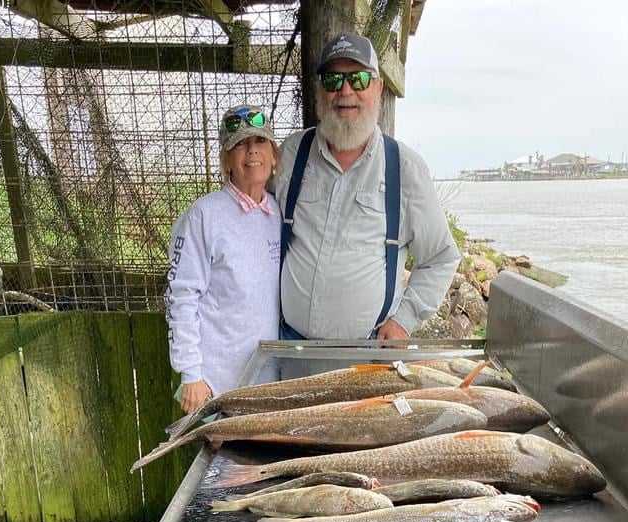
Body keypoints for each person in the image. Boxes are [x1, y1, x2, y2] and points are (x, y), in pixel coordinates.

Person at [276, 32, 460, 348]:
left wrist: (404, 320)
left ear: (378, 86)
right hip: (289, 349)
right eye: (333, 79)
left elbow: (441, 257)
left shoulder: (406, 168)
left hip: (367, 355)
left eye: (359, 78)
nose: (345, 91)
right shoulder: (289, 155)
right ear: (320, 89)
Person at [165, 104, 281, 415]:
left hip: (267, 381)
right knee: (222, 462)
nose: (251, 153)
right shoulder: (204, 216)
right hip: (217, 385)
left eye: (259, 142)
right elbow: (181, 295)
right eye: (239, 145)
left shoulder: (278, 214)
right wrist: (191, 374)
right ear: (226, 161)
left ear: (274, 156)